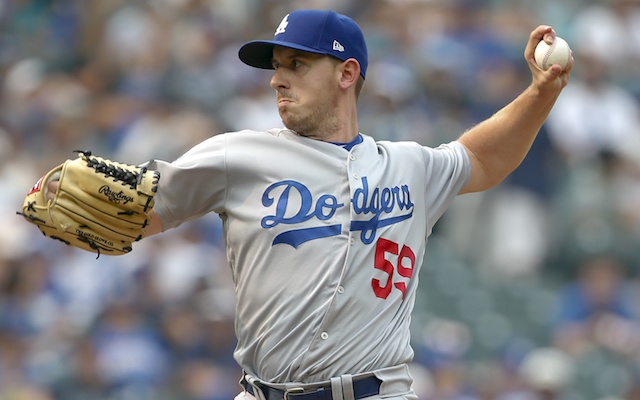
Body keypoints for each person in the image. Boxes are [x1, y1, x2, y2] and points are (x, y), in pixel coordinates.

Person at [48, 8, 572, 400]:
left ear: (346, 74)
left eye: (296, 64)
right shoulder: (239, 154)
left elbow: (481, 159)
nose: (278, 78)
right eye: (276, 66)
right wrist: (75, 198)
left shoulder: (409, 166)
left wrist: (541, 93)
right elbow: (141, 209)